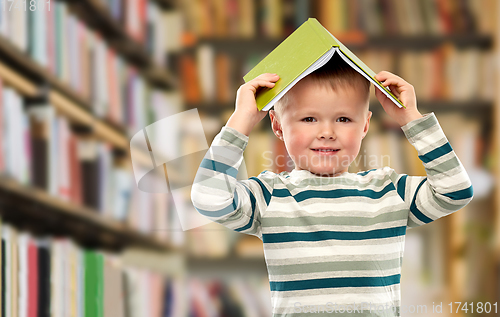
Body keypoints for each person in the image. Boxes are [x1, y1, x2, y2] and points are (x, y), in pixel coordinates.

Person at [190, 55, 473, 316]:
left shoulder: (388, 191)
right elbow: (208, 198)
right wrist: (242, 120)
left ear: (365, 125)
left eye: (344, 119)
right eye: (309, 118)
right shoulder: (269, 196)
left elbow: (455, 191)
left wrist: (411, 117)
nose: (327, 132)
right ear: (277, 125)